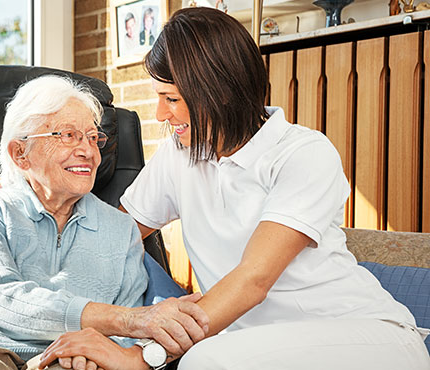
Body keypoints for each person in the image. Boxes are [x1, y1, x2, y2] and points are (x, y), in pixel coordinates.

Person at [36, 7, 430, 370]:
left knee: (206, 362)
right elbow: (113, 238)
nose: (160, 114)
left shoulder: (302, 153)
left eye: (171, 98)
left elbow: (252, 281)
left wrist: (141, 356)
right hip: (258, 346)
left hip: (367, 336)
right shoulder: (182, 155)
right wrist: (31, 187)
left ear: (218, 91)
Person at [0, 75, 209, 370]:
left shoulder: (121, 229)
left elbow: (121, 338)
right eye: (68, 135)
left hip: (65, 357)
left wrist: (99, 349)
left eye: (92, 137)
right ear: (21, 153)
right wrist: (129, 320)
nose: (87, 151)